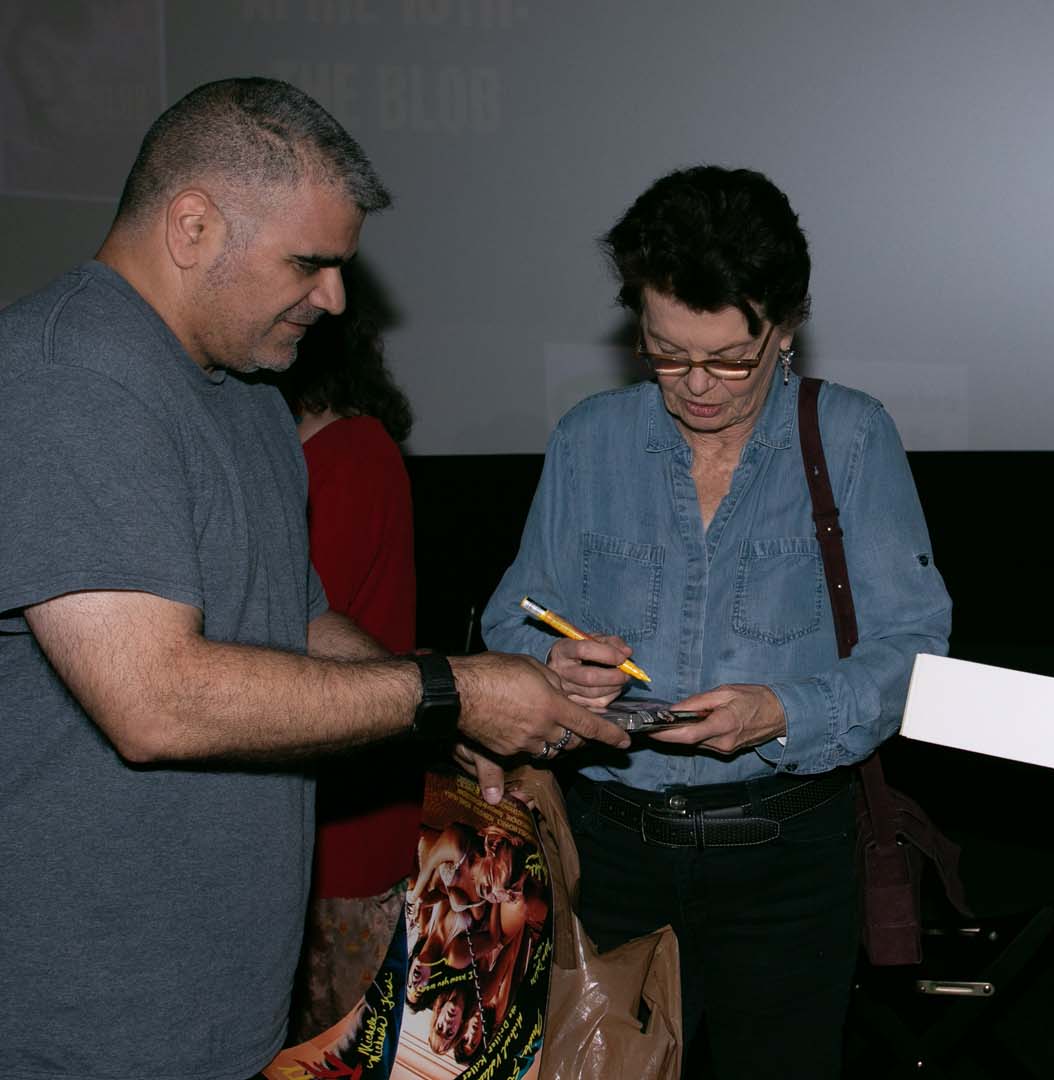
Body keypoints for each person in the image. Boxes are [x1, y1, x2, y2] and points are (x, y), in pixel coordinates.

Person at [0, 76, 628, 1080]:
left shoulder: (249, 398)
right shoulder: (72, 375)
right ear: (192, 226)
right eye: (310, 263)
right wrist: (454, 690)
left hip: (219, 1007)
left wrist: (448, 710)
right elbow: (153, 700)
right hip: (78, 1026)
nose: (334, 298)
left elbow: (297, 619)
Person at [482, 165, 952, 1078]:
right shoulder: (590, 440)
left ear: (788, 326)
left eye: (732, 360)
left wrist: (783, 711)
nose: (697, 385)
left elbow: (914, 649)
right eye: (666, 354)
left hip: (787, 862)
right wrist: (551, 664)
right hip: (610, 854)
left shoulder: (851, 439)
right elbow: (513, 618)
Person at [269, 303, 427, 1040]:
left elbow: (281, 624)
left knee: (340, 1050)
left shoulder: (353, 451)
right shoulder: (284, 447)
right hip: (298, 813)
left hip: (346, 820)